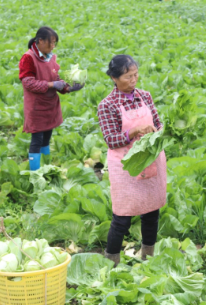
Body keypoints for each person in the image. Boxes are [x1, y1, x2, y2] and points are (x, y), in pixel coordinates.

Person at [97, 55, 167, 266]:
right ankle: (112, 263)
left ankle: (148, 257)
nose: (134, 80)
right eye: (128, 77)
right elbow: (111, 140)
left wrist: (160, 132)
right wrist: (135, 131)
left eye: (136, 75)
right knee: (122, 217)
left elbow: (158, 122)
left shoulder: (145, 96)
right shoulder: (107, 105)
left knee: (151, 211)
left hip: (150, 161)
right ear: (114, 78)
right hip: (126, 165)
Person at [18, 27, 84, 171]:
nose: (53, 46)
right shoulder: (28, 58)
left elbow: (57, 79)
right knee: (37, 140)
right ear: (40, 41)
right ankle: (35, 173)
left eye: (55, 43)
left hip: (50, 105)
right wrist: (51, 84)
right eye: (51, 43)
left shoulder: (51, 57)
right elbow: (28, 82)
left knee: (47, 137)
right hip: (36, 107)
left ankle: (46, 168)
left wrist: (69, 87)